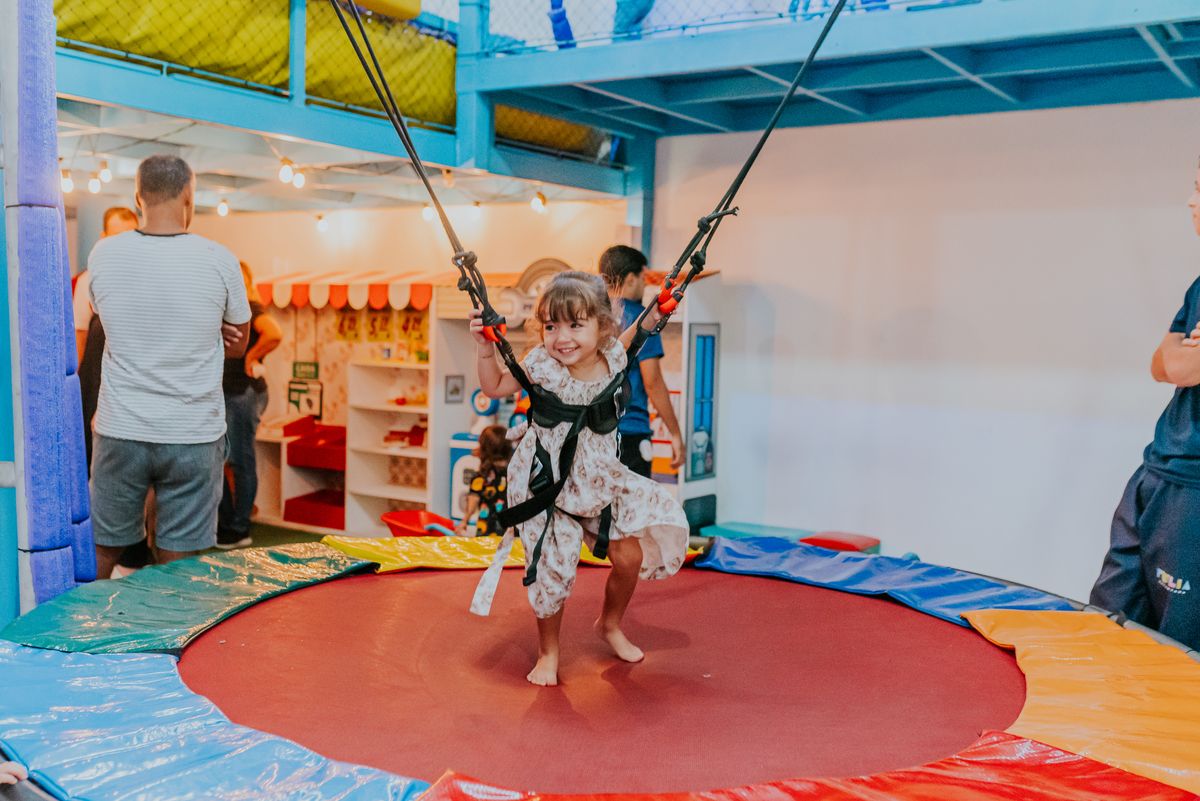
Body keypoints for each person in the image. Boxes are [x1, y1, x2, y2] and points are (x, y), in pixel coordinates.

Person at [468, 272, 689, 686]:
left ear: (602, 326)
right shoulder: (539, 364)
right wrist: (485, 347)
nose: (561, 337)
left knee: (629, 558)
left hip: (598, 479)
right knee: (553, 572)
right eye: (551, 326)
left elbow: (633, 338)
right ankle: (548, 653)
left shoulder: (611, 356)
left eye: (575, 324)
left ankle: (609, 623)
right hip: (548, 485)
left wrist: (656, 311)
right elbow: (496, 385)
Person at [87, 154, 250, 580]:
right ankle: (171, 646)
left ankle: (78, 642)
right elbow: (238, 345)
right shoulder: (221, 259)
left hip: (121, 428)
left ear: (138, 196)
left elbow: (104, 317)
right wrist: (213, 329)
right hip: (192, 434)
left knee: (100, 553)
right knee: (182, 569)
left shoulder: (103, 254)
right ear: (188, 196)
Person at [1089, 163, 1200, 651]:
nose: (1193, 203)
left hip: (1192, 492)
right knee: (1109, 615)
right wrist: (1180, 353)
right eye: (1196, 188)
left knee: (1177, 644)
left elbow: (1180, 368)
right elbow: (1162, 363)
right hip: (1156, 471)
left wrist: (1180, 356)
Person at [598, 245, 685, 478]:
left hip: (592, 431)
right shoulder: (641, 318)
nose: (644, 285)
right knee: (632, 512)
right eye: (643, 278)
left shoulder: (591, 317)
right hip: (630, 433)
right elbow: (652, 382)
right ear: (630, 278)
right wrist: (675, 435)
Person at [216, 262, 282, 549]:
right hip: (229, 393)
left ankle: (239, 527)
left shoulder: (252, 309)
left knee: (241, 460)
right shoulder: (231, 312)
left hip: (243, 393)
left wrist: (251, 357)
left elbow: (274, 333)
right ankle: (228, 524)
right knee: (222, 459)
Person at [74, 206, 139, 469]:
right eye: (115, 237)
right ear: (103, 237)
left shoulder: (145, 280)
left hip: (136, 387)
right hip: (97, 385)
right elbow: (80, 343)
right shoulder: (88, 282)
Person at [455, 425, 512, 536]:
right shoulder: (514, 475)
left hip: (486, 533)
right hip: (509, 535)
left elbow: (473, 500)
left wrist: (464, 521)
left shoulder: (481, 478)